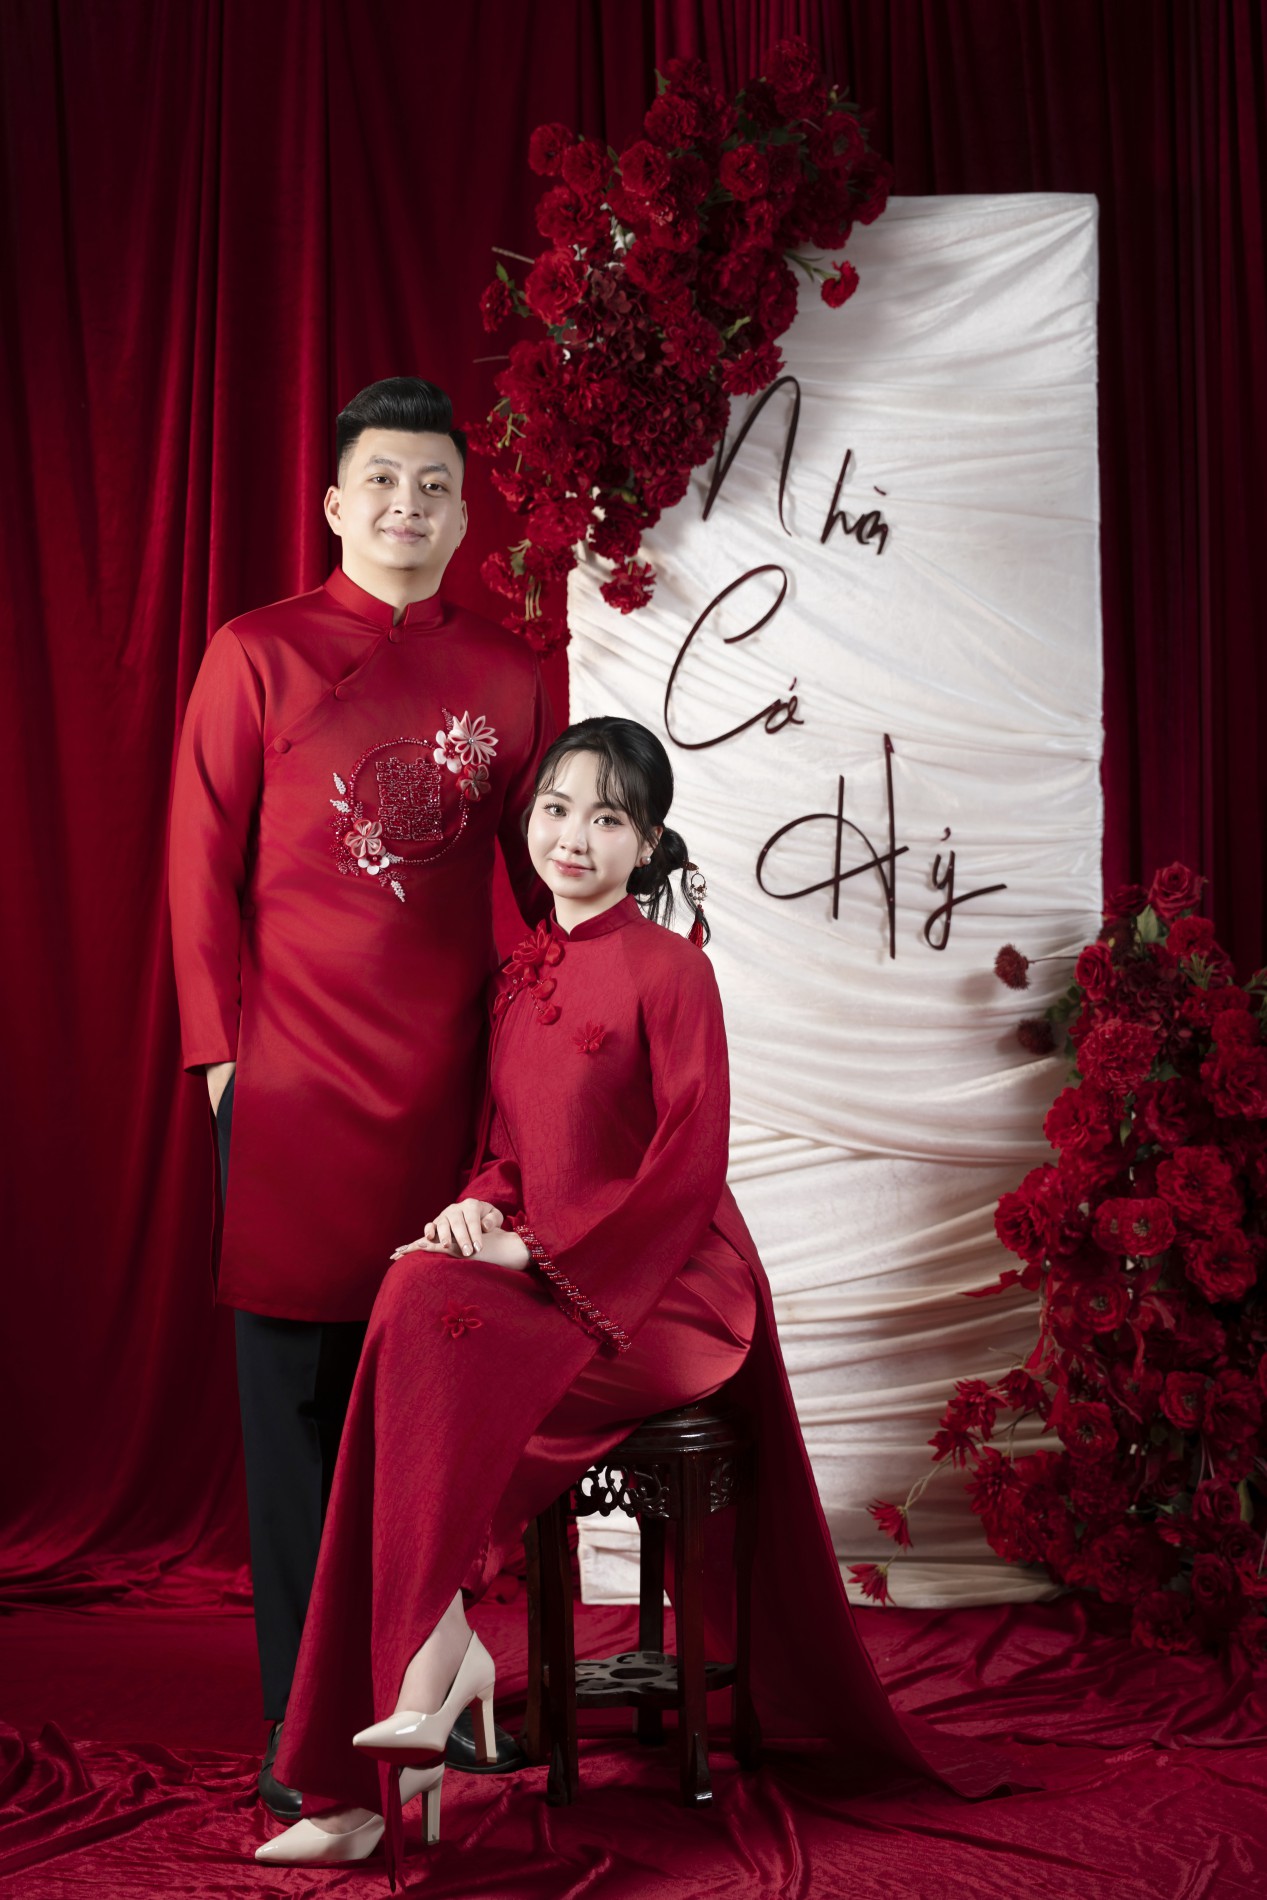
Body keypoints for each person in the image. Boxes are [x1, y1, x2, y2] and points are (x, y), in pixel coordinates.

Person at [255, 717, 1009, 1874]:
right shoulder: (519, 977)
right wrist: (476, 1213)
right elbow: (508, 1153)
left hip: (670, 1294)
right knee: (411, 1292)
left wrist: (536, 1256)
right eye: (557, 809)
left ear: (647, 842)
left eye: (607, 817)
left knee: (435, 1347)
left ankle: (415, 1697)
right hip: (558, 1272)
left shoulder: (672, 969)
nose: (574, 836)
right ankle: (409, 1702)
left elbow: (686, 1167)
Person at [168, 376, 550, 1818]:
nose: (408, 506)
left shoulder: (509, 672)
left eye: (435, 486)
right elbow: (196, 867)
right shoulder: (254, 653)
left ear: (462, 513)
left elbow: (546, 883)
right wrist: (221, 1065)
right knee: (292, 1418)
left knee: (433, 1407)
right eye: (382, 481)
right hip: (286, 1084)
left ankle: (430, 1688)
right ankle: (304, 1732)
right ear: (336, 503)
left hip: (450, 1095)